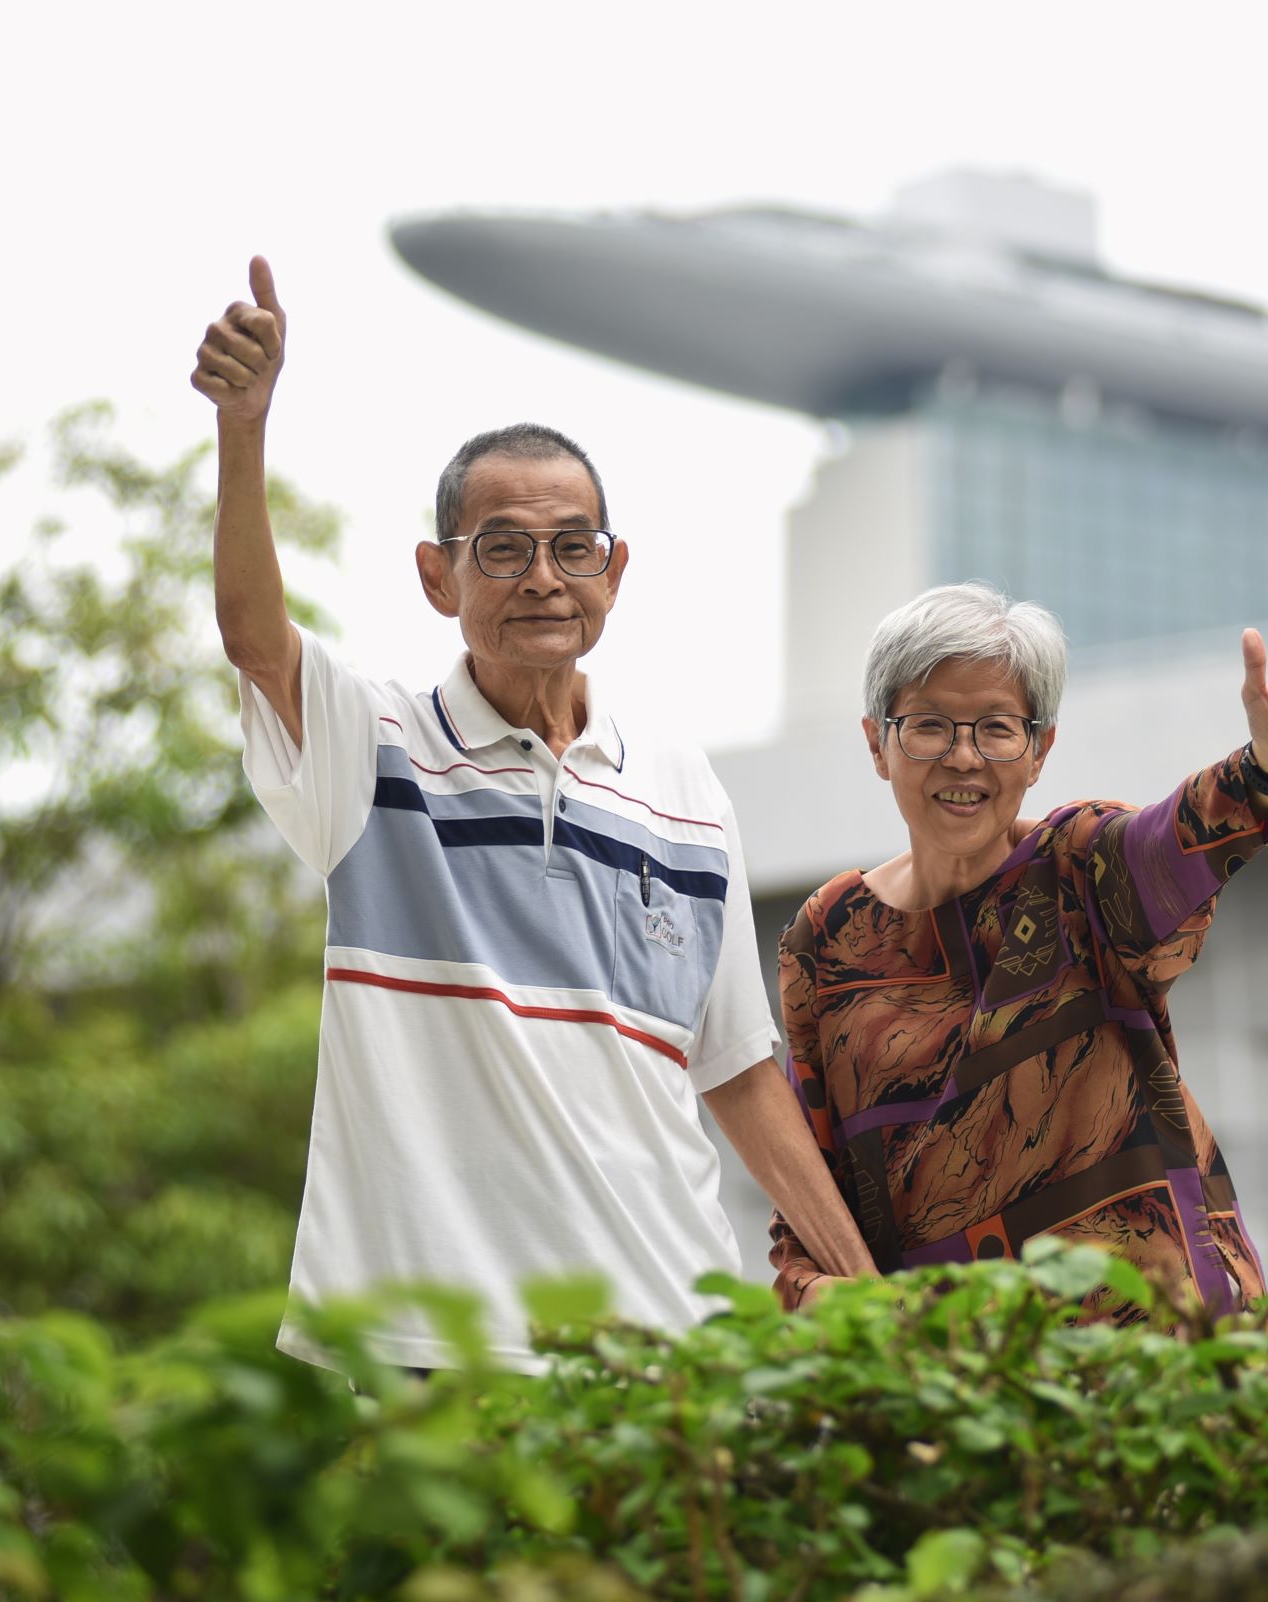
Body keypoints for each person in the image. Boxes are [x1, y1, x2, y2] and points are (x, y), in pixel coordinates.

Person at [189, 257, 873, 1374]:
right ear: (437, 576)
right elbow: (255, 637)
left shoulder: (685, 791)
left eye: (573, 549)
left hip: (662, 1352)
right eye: (502, 549)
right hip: (424, 1350)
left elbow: (741, 1072)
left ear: (615, 572)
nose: (543, 578)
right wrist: (245, 428)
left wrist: (865, 1286)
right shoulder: (375, 750)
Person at [765, 583, 1268, 1317]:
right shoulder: (828, 936)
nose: (963, 758)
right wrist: (835, 1309)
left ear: (1040, 750)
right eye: (927, 726)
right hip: (957, 1390)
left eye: (998, 729)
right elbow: (807, 1197)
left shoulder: (1078, 867)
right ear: (876, 744)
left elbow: (1177, 844)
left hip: (1153, 1368)